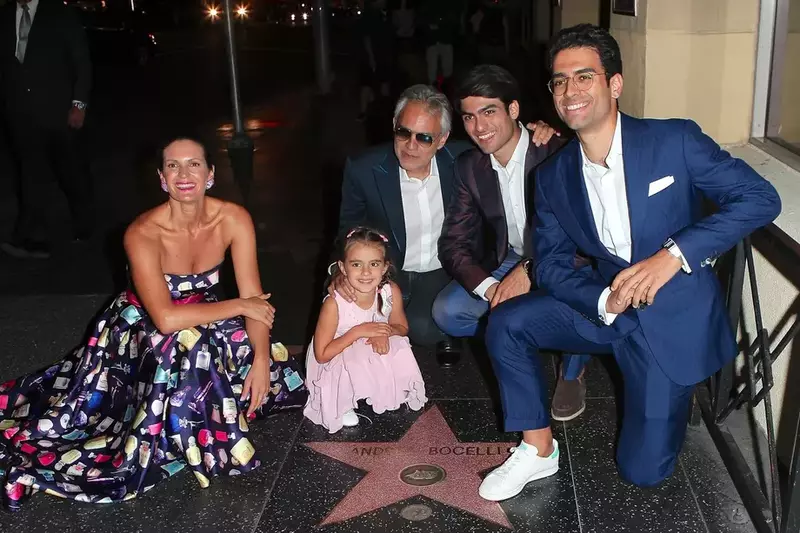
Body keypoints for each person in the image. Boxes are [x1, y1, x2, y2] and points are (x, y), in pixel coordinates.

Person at [478, 24, 781, 502]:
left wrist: (673, 256)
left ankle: (670, 394)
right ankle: (537, 451)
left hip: (669, 318)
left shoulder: (673, 141)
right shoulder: (553, 175)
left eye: (584, 77)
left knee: (642, 472)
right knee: (506, 321)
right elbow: (552, 264)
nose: (570, 91)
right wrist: (603, 299)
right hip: (604, 307)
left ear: (613, 84)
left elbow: (760, 198)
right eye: (559, 81)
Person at [0, 137, 308, 510]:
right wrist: (241, 306)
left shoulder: (233, 218)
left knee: (254, 364)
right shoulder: (142, 232)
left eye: (194, 164)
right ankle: (195, 438)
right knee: (193, 352)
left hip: (208, 313)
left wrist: (261, 358)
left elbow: (255, 301)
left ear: (210, 174)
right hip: (141, 328)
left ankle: (197, 419)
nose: (184, 174)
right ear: (162, 179)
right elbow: (166, 318)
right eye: (173, 166)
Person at [333, 83, 557, 367]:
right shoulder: (364, 168)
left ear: (442, 140)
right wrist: (338, 271)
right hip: (386, 272)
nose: (410, 145)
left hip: (442, 271)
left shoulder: (463, 161)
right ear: (394, 125)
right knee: (342, 314)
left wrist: (542, 130)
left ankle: (504, 335)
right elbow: (347, 228)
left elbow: (506, 137)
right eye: (403, 132)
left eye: (424, 138)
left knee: (426, 328)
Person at [432, 64, 589, 421]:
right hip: (508, 258)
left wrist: (530, 270)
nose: (479, 127)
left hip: (563, 259)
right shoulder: (469, 167)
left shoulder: (556, 152)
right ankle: (528, 333)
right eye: (469, 117)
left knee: (580, 295)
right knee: (447, 312)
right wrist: (491, 290)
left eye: (489, 112)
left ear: (514, 110)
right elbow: (453, 244)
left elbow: (584, 244)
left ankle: (573, 365)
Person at [305, 226, 427, 434]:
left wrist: (383, 331)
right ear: (342, 268)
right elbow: (322, 354)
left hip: (365, 345)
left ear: (385, 267)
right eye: (356, 264)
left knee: (399, 344)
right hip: (335, 356)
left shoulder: (390, 292)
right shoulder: (334, 304)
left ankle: (383, 388)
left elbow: (402, 327)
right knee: (357, 349)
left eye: (374, 264)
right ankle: (341, 402)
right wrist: (358, 331)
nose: (366, 272)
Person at [0, 0, 94, 259]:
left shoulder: (59, 13)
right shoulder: (6, 15)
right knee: (30, 173)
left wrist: (79, 103)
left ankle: (84, 224)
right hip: (20, 112)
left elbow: (81, 60)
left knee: (70, 171)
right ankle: (30, 236)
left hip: (59, 110)